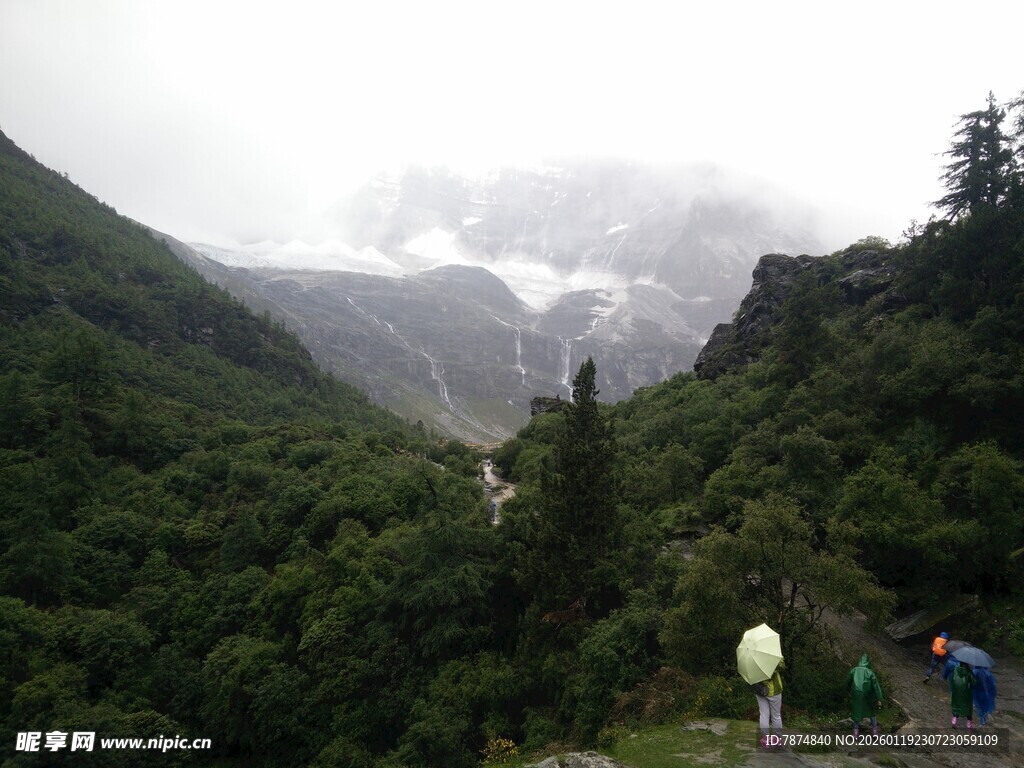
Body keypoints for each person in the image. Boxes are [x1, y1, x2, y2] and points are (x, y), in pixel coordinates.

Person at [847, 653, 883, 737]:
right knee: (872, 712)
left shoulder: (854, 670)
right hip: (868, 694)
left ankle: (855, 734)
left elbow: (848, 681)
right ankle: (875, 732)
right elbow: (876, 686)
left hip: (856, 693)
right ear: (867, 662)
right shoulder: (870, 672)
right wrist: (879, 698)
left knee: (857, 712)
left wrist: (848, 690)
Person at [753, 663, 784, 748]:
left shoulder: (752, 660)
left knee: (764, 715)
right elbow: (782, 666)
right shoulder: (772, 655)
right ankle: (776, 739)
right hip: (775, 690)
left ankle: (765, 739)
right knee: (776, 715)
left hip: (760, 690)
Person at [949, 662, 975, 729]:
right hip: (966, 692)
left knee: (956, 705)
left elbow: (952, 679)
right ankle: (969, 724)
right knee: (968, 707)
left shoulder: (956, 670)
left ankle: (954, 720)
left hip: (956, 691)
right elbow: (973, 682)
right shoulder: (969, 672)